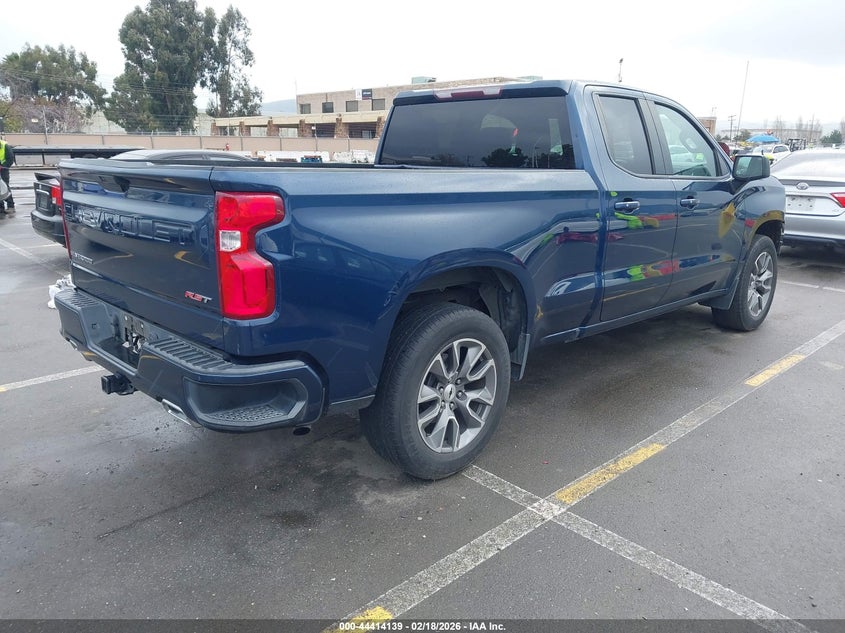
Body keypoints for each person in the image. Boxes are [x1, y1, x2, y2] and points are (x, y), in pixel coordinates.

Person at [0, 138, 16, 212]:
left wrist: (3, 166)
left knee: (5, 187)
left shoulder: (4, 145)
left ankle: (11, 206)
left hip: (3, 170)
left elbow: (10, 159)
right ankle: (1, 207)